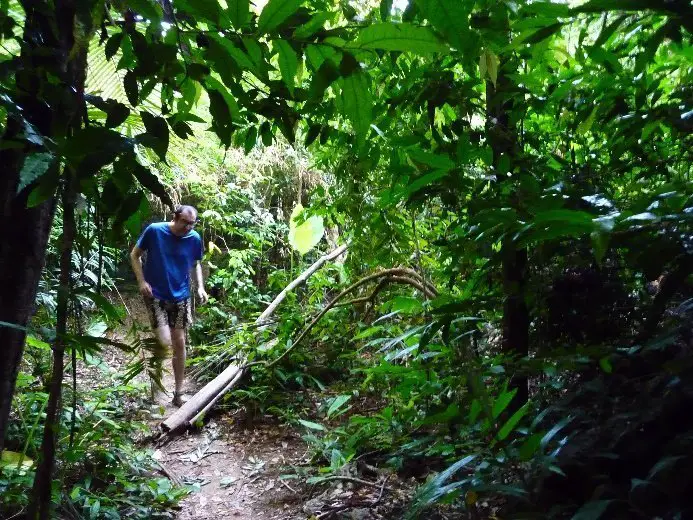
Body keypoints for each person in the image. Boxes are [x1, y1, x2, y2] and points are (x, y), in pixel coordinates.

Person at [130, 205, 208, 406]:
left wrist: (200, 287)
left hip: (181, 296)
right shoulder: (155, 231)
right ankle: (156, 387)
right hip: (155, 295)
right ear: (175, 217)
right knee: (164, 343)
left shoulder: (194, 239)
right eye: (185, 223)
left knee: (179, 342)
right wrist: (141, 281)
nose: (189, 228)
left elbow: (196, 263)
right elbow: (134, 255)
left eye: (192, 224)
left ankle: (178, 393)